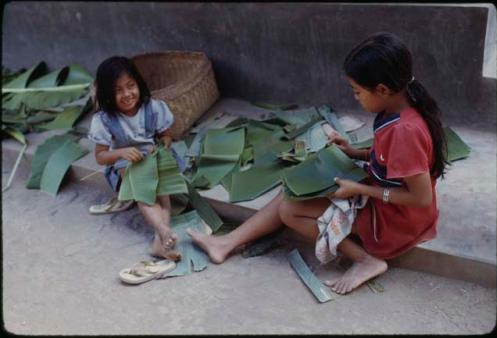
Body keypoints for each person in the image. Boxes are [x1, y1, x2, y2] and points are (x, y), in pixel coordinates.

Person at [187, 32, 447, 294]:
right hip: (383, 200)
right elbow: (390, 160)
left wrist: (360, 190)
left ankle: (366, 260)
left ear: (382, 89)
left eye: (357, 91)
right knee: (295, 188)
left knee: (291, 210)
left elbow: (421, 198)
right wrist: (354, 153)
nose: (355, 97)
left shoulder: (405, 132)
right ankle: (226, 243)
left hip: (396, 222)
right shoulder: (395, 108)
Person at [88, 56, 182, 261]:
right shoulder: (104, 120)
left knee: (162, 193)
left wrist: (163, 146)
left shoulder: (154, 107)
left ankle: (159, 241)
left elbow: (166, 135)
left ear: (139, 84)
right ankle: (164, 231)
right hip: (126, 162)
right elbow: (100, 157)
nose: (127, 94)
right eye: (117, 90)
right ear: (106, 94)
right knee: (145, 193)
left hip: (152, 156)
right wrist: (121, 153)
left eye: (131, 86)